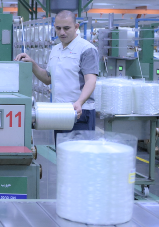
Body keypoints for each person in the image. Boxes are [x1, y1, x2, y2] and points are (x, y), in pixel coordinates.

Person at [15, 10, 99, 141]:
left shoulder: (86, 49)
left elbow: (91, 81)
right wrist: (32, 64)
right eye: (58, 28)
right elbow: (48, 79)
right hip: (59, 112)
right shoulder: (55, 50)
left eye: (66, 28)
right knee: (61, 151)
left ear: (76, 27)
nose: (62, 32)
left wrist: (79, 102)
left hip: (80, 112)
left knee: (78, 152)